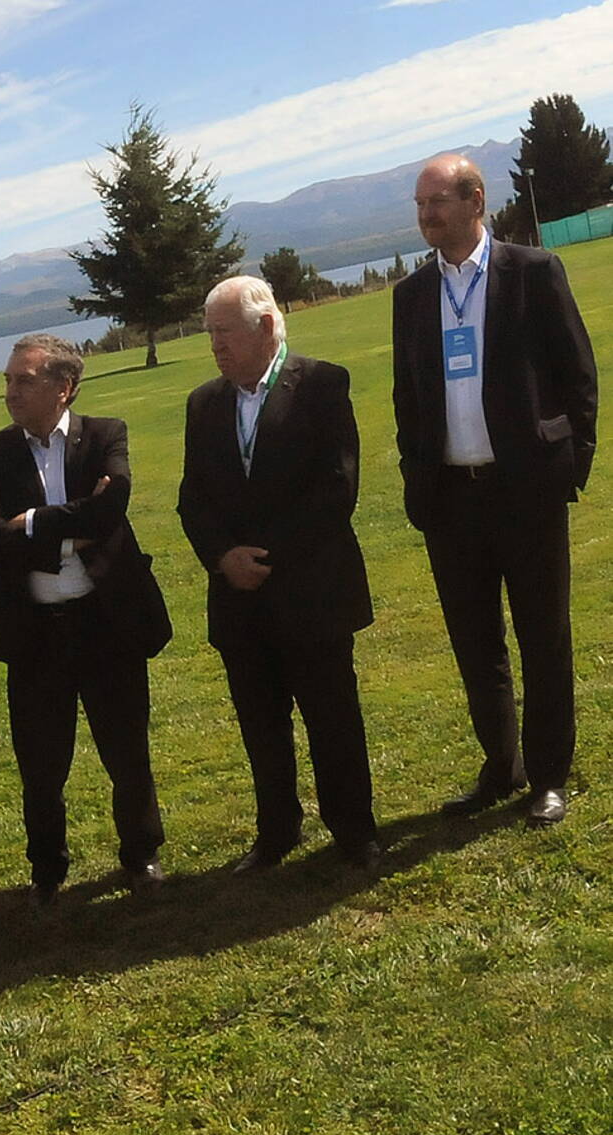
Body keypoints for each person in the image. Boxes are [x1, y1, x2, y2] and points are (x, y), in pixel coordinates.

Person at [393, 153, 598, 827]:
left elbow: (577, 372)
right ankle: (499, 765)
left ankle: (547, 776)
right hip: (452, 499)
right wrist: (417, 479)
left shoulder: (532, 272)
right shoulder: (411, 294)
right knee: (476, 644)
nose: (427, 216)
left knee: (545, 639)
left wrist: (572, 463)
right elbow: (406, 398)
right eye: (421, 206)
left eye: (437, 203)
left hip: (527, 491)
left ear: (475, 201)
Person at [177, 276, 381, 870]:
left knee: (332, 717)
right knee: (261, 726)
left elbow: (336, 488)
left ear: (265, 326)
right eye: (209, 333)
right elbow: (194, 499)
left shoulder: (321, 384)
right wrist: (223, 557)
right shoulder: (204, 403)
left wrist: (265, 557)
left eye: (223, 332)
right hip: (239, 601)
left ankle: (353, 830)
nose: (214, 345)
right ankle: (276, 831)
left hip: (311, 591)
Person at [0, 334, 170, 906]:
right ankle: (48, 871)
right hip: (36, 632)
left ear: (64, 388)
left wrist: (27, 523)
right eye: (8, 379)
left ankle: (142, 855)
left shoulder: (105, 434)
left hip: (107, 625)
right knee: (40, 763)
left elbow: (111, 511)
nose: (9, 391)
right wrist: (63, 529)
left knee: (127, 751)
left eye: (22, 380)